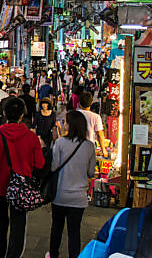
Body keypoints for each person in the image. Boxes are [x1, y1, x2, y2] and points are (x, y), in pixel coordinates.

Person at [0, 97, 45, 258]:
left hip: (0, 187)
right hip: (22, 189)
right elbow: (39, 164)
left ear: (4, 113)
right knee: (18, 227)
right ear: (22, 116)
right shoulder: (31, 137)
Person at [45, 110, 96, 258]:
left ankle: (53, 254)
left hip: (60, 195)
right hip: (79, 198)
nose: (64, 124)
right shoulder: (89, 146)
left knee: (57, 227)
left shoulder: (60, 143)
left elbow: (54, 167)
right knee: (74, 232)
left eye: (66, 121)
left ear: (70, 125)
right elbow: (91, 172)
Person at [77, 91, 108, 157]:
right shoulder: (96, 117)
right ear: (91, 103)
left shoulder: (74, 115)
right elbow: (100, 134)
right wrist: (103, 150)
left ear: (79, 103)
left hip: (75, 148)